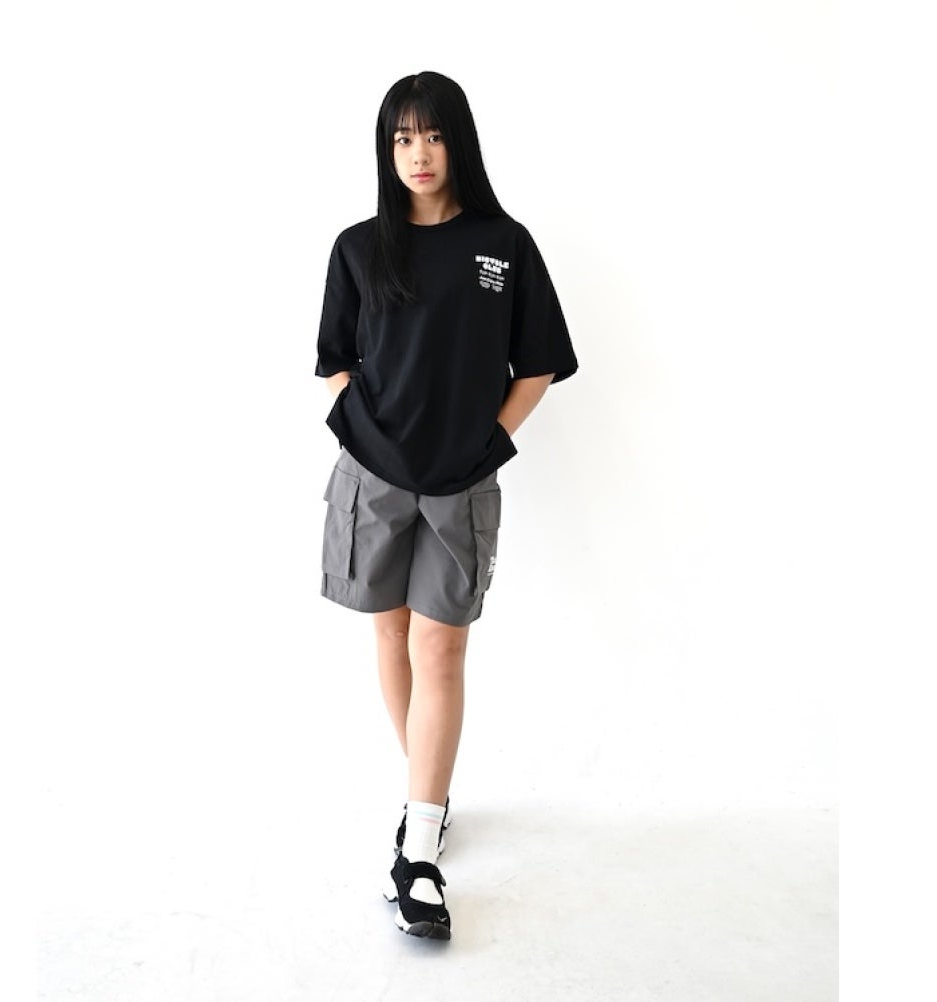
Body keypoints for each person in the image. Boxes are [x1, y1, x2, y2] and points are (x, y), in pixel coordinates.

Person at [314, 70, 578, 940]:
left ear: (457, 140)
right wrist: (368, 438)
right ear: (386, 150)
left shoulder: (504, 244)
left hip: (461, 480)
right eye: (402, 138)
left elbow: (538, 363)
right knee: (390, 636)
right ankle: (426, 798)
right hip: (374, 476)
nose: (418, 153)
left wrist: (488, 444)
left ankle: (417, 852)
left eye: (431, 135)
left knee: (442, 646)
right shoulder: (360, 247)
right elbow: (335, 360)